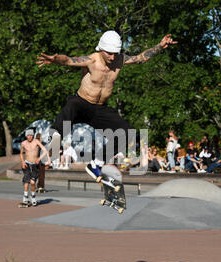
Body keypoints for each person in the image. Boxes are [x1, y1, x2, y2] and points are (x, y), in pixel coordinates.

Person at [37, 31, 178, 166]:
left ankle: (97, 162)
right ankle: (54, 138)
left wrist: (160, 46)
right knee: (71, 105)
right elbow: (68, 60)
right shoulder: (91, 60)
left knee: (127, 134)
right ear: (101, 49)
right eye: (109, 54)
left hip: (100, 109)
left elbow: (140, 58)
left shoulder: (120, 60)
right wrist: (55, 60)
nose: (112, 57)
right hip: (82, 104)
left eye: (115, 54)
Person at [20, 129, 50, 206]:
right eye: (28, 135)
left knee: (33, 182)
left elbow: (45, 150)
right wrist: (23, 162)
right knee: (26, 181)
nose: (29, 137)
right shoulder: (23, 143)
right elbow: (21, 154)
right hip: (26, 164)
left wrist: (40, 158)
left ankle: (33, 197)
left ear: (33, 135)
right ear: (26, 136)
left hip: (34, 165)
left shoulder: (36, 141)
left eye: (30, 135)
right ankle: (25, 197)